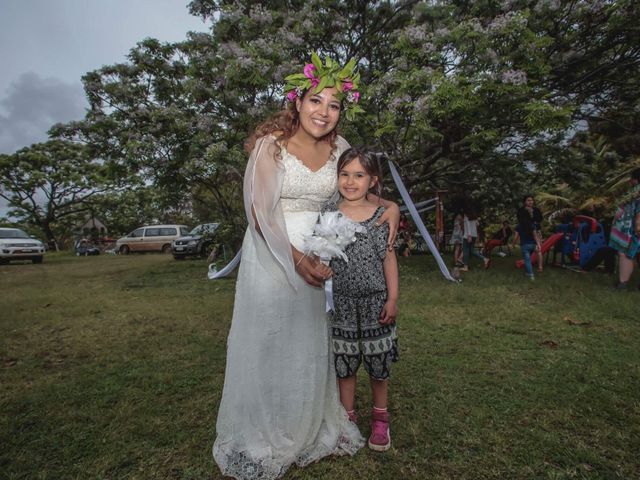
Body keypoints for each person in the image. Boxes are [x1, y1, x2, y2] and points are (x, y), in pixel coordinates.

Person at [212, 55, 400, 480]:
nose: (324, 112)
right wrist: (295, 258)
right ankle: (265, 429)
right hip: (272, 252)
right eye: (316, 100)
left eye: (334, 105)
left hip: (323, 255)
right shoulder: (272, 145)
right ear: (297, 102)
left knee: (309, 343)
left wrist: (390, 206)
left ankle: (307, 420)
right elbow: (259, 212)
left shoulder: (339, 146)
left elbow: (358, 187)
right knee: (269, 339)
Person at [323, 147, 399, 452]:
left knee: (378, 365)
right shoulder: (328, 214)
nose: (350, 182)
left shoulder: (382, 216)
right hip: (341, 303)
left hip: (375, 302)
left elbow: (389, 258)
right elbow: (323, 253)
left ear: (373, 180)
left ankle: (381, 420)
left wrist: (392, 298)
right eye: (344, 174)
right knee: (346, 366)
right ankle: (347, 419)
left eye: (359, 175)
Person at [609, 168, 640, 290]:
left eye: (631, 178)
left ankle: (623, 284)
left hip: (632, 232)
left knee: (625, 255)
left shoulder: (637, 192)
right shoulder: (634, 192)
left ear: (634, 179)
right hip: (630, 230)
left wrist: (638, 226)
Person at [517, 195, 544, 272]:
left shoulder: (536, 210)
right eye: (528, 200)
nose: (530, 202)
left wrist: (533, 218)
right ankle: (529, 263)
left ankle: (540, 267)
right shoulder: (521, 210)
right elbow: (521, 220)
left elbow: (540, 219)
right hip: (526, 231)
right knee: (527, 248)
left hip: (536, 230)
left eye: (531, 200)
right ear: (525, 202)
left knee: (538, 249)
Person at [461, 200, 490, 271]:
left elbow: (467, 225)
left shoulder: (466, 215)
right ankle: (485, 259)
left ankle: (465, 267)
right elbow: (477, 224)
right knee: (472, 250)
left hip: (468, 236)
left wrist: (469, 235)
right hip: (474, 235)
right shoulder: (474, 215)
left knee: (465, 250)